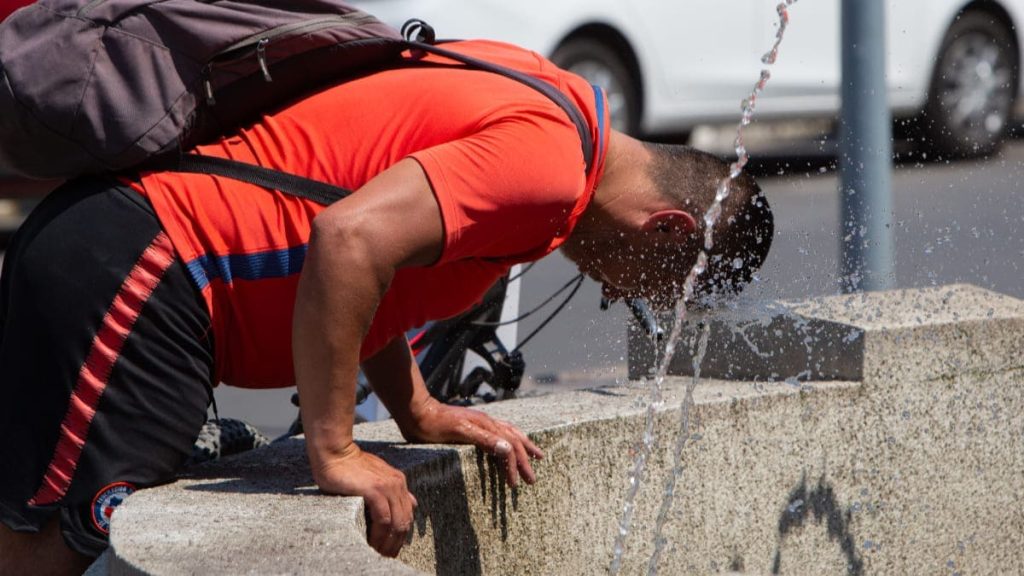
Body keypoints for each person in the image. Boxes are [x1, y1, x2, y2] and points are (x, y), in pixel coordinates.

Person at [0, 38, 772, 574]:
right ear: (667, 228)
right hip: (145, 268)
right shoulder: (548, 173)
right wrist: (334, 451)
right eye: (644, 289)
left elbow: (376, 268)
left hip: (141, 261)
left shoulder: (559, 105)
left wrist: (415, 410)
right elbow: (347, 241)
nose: (612, 294)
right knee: (58, 547)